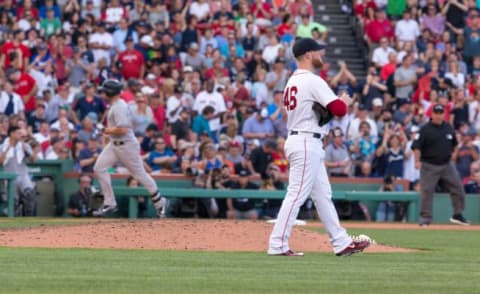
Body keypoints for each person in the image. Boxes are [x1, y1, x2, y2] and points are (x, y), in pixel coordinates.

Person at [268, 38, 371, 257]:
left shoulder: (292, 81)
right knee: (296, 194)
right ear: (308, 55)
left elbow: (318, 114)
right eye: (318, 52)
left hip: (303, 137)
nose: (321, 55)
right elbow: (339, 109)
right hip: (306, 141)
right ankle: (277, 244)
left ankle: (341, 242)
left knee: (323, 194)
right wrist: (343, 101)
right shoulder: (312, 80)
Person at [93, 79, 166, 217]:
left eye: (104, 91)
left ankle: (160, 202)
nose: (103, 94)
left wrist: (105, 130)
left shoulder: (119, 107)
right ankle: (110, 202)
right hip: (114, 145)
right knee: (99, 168)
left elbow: (123, 130)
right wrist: (106, 132)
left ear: (110, 92)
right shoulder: (115, 105)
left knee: (140, 175)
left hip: (126, 146)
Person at [412, 103, 470, 226]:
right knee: (427, 191)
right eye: (436, 113)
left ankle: (457, 214)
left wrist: (452, 158)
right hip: (429, 165)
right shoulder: (425, 129)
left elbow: (454, 145)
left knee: (458, 188)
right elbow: (416, 146)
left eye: (441, 113)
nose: (438, 115)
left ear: (444, 114)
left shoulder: (448, 128)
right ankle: (425, 219)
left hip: (446, 164)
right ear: (432, 114)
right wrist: (417, 161)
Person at [0, 126, 38, 216]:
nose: (21, 136)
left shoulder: (25, 146)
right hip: (9, 178)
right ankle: (16, 226)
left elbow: (33, 160)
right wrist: (9, 148)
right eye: (18, 133)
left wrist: (26, 151)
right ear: (12, 134)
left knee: (29, 194)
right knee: (13, 202)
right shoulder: (2, 146)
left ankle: (29, 220)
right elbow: (1, 161)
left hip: (23, 176)